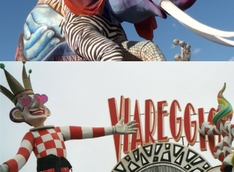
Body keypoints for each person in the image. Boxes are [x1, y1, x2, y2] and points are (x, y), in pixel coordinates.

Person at [0, 63, 138, 172]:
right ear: (18, 115)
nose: (37, 104)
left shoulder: (59, 131)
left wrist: (114, 129)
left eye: (39, 100)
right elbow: (21, 157)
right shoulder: (31, 136)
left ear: (47, 110)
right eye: (27, 103)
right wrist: (6, 167)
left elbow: (88, 131)